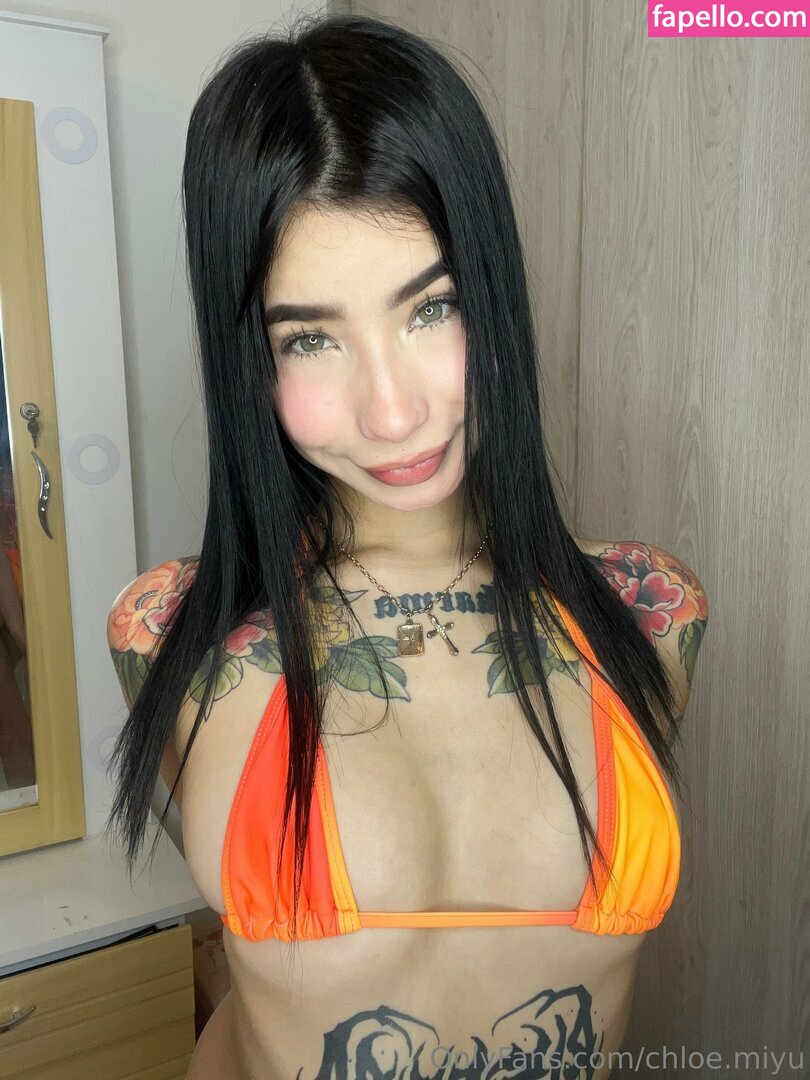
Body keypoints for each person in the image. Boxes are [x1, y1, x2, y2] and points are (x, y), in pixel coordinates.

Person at [105, 12, 709, 1079]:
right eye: (311, 337)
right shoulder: (171, 635)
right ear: (249, 358)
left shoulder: (650, 611)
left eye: (432, 309)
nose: (392, 411)